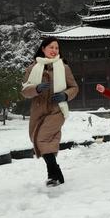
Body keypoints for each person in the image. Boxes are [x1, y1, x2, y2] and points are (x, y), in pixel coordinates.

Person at [21, 36, 78, 187]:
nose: (54, 50)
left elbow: (74, 88)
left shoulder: (63, 67)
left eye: (57, 48)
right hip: (38, 111)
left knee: (42, 139)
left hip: (57, 110)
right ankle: (53, 175)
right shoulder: (33, 68)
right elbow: (25, 91)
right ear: (43, 49)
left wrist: (65, 95)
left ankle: (55, 172)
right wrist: (36, 89)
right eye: (51, 47)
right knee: (42, 140)